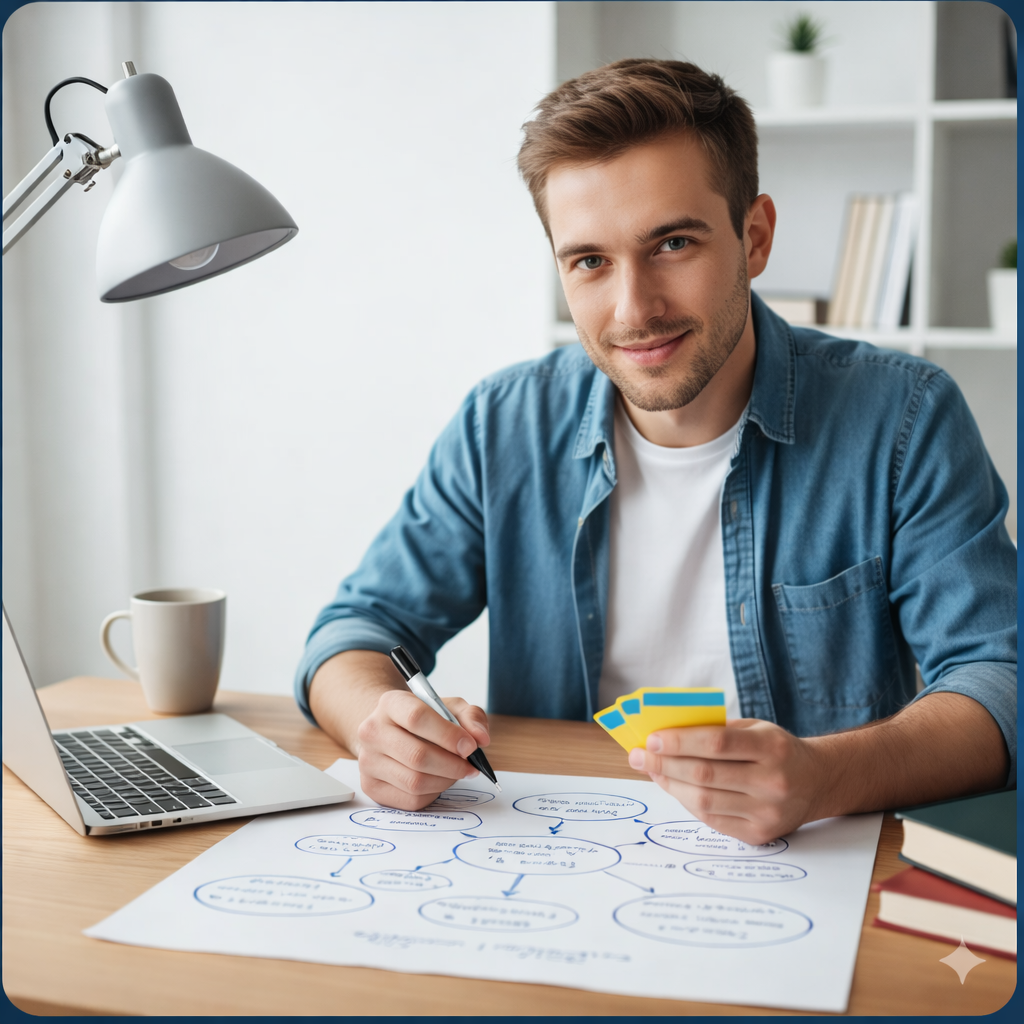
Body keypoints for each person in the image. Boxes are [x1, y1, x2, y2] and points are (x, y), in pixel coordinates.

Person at [295, 60, 1016, 844]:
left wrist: (824, 777)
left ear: (755, 237)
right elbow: (353, 633)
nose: (633, 309)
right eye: (590, 261)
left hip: (817, 863)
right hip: (559, 859)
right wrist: (379, 724)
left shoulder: (903, 418)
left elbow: (1001, 682)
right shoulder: (502, 425)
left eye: (672, 243)